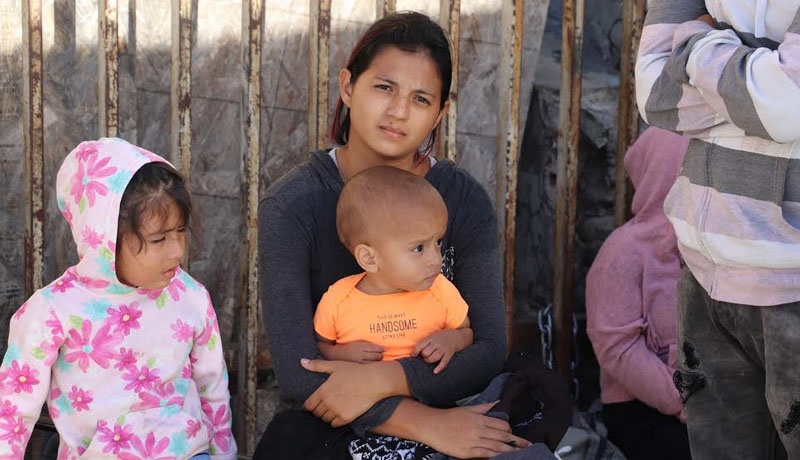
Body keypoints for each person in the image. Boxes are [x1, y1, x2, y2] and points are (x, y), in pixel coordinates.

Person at [256, 11, 531, 460]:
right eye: (384, 88)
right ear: (348, 87)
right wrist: (427, 425)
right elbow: (299, 369)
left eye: (421, 99)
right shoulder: (292, 206)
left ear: (440, 113)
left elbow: (487, 349)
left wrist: (386, 377)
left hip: (454, 408)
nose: (398, 112)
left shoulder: (463, 200)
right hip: (339, 424)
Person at [0, 138, 236, 459]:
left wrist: (223, 455)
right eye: (159, 238)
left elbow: (213, 390)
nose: (177, 250)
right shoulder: (54, 311)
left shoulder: (190, 296)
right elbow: (13, 410)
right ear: (105, 238)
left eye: (181, 231)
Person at [636, 1, 800, 457]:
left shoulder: (697, 38)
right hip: (703, 275)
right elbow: (654, 95)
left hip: (792, 283)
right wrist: (756, 75)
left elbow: (785, 107)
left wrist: (696, 45)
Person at [585, 127, 691, 460]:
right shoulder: (623, 252)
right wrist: (685, 402)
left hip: (705, 406)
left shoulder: (706, 249)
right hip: (641, 409)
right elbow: (618, 350)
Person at [315, 166, 472, 375]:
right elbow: (320, 345)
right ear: (369, 259)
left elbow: (466, 332)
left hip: (428, 390)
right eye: (418, 248)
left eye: (438, 242)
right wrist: (341, 354)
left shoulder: (440, 289)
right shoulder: (337, 300)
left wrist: (451, 339)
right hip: (361, 394)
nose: (436, 259)